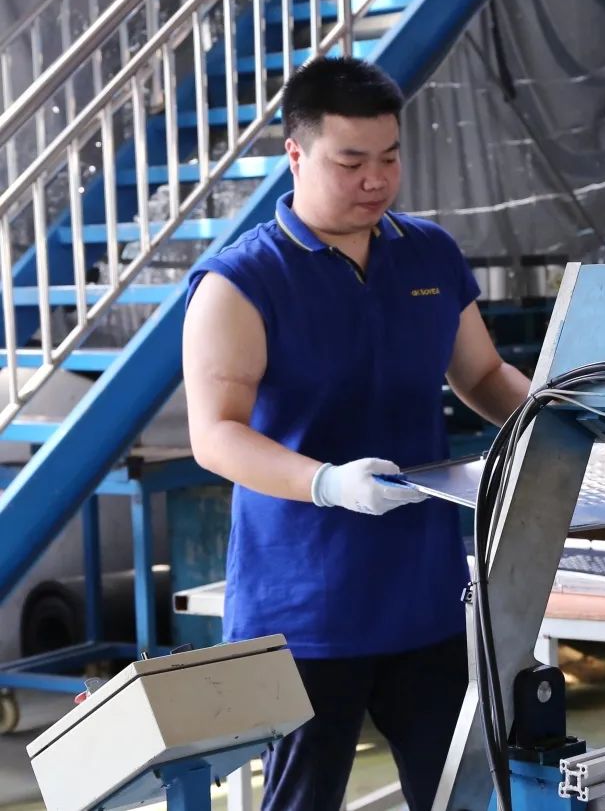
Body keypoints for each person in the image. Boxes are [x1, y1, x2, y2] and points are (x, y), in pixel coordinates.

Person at [182, 56, 532, 811]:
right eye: (351, 162)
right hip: (304, 607)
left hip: (424, 594)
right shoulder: (242, 282)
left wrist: (565, 421)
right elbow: (215, 434)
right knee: (304, 799)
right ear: (296, 154)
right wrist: (326, 483)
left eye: (390, 157)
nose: (376, 180)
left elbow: (482, 375)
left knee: (463, 795)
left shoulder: (428, 253)